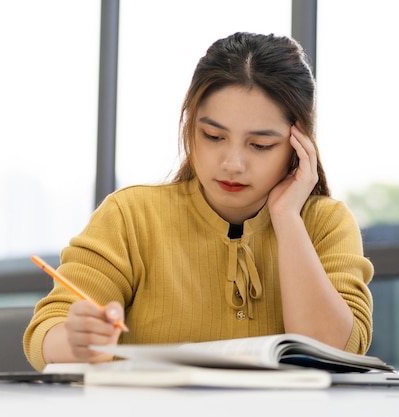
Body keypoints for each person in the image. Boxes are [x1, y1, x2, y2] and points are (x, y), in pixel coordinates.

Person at [23, 31, 374, 371]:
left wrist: (287, 219)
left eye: (261, 145)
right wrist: (76, 339)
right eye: (213, 136)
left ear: (299, 145)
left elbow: (334, 353)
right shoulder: (130, 217)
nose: (232, 163)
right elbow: (48, 331)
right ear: (190, 127)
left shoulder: (326, 223)